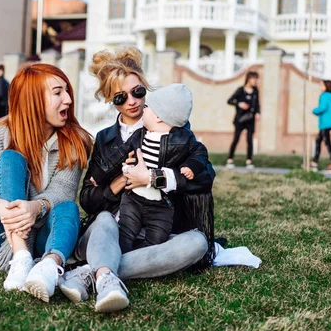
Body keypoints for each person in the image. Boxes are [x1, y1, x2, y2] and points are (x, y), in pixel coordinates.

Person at [57, 48, 216, 313]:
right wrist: (120, 181)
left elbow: (205, 177)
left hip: (158, 231)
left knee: (198, 243)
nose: (132, 101)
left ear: (146, 89)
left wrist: (153, 178)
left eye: (138, 92)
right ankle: (106, 271)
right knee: (105, 220)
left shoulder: (173, 127)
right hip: (111, 231)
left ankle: (92, 272)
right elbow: (87, 199)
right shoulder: (105, 140)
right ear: (111, 101)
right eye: (121, 97)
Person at [0, 64, 92, 303]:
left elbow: (63, 191)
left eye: (67, 91)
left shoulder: (75, 141)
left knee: (69, 208)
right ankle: (20, 256)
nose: (68, 100)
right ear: (33, 100)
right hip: (1, 232)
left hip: (43, 234)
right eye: (58, 93)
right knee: (11, 158)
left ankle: (49, 268)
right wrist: (3, 208)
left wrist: (37, 208)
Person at [118, 84, 208, 254]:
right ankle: (122, 254)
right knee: (125, 231)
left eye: (147, 107)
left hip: (160, 204)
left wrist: (192, 166)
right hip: (133, 198)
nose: (142, 110)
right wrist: (104, 174)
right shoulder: (140, 135)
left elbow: (200, 151)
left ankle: (139, 259)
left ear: (158, 116)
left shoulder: (182, 140)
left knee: (157, 238)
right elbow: (120, 154)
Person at [226, 71, 261, 169]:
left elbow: (257, 104)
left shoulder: (255, 91)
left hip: (250, 119)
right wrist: (239, 104)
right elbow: (229, 101)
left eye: (257, 79)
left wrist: (258, 113)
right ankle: (230, 159)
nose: (256, 81)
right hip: (240, 119)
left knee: (249, 140)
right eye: (254, 78)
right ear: (249, 79)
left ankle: (249, 161)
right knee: (236, 139)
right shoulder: (240, 90)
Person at [310, 80, 331, 173]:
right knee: (318, 140)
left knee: (327, 142)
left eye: (321, 85)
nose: (320, 87)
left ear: (326, 86)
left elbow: (322, 107)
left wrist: (314, 110)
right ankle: (314, 162)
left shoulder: (324, 96)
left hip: (325, 123)